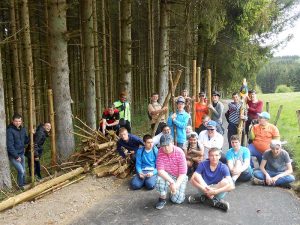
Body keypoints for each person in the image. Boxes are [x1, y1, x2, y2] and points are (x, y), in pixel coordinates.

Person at [188, 148, 234, 212]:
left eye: (216, 155)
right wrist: (205, 189)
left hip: (217, 190)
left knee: (226, 182)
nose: (214, 157)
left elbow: (232, 186)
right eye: (212, 155)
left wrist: (215, 191)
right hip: (204, 188)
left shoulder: (224, 167)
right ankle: (215, 201)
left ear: (220, 156)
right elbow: (192, 180)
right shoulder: (202, 164)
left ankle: (202, 198)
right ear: (208, 156)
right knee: (196, 175)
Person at [155, 134, 188, 210]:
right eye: (163, 146)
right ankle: (162, 198)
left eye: (168, 145)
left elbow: (183, 173)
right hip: (168, 175)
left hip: (179, 176)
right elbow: (160, 170)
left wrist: (176, 185)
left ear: (172, 143)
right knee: (159, 179)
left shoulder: (180, 152)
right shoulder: (160, 151)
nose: (166, 148)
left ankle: (173, 191)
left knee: (177, 200)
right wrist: (172, 182)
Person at [6, 113, 29, 189]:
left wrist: (33, 135)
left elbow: (26, 141)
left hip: (21, 153)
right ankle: (20, 186)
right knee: (21, 171)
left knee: (24, 171)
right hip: (13, 155)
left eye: (19, 121)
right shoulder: (10, 130)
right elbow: (10, 146)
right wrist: (16, 156)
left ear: (21, 121)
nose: (18, 123)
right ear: (12, 121)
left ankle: (24, 184)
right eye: (16, 121)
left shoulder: (23, 129)